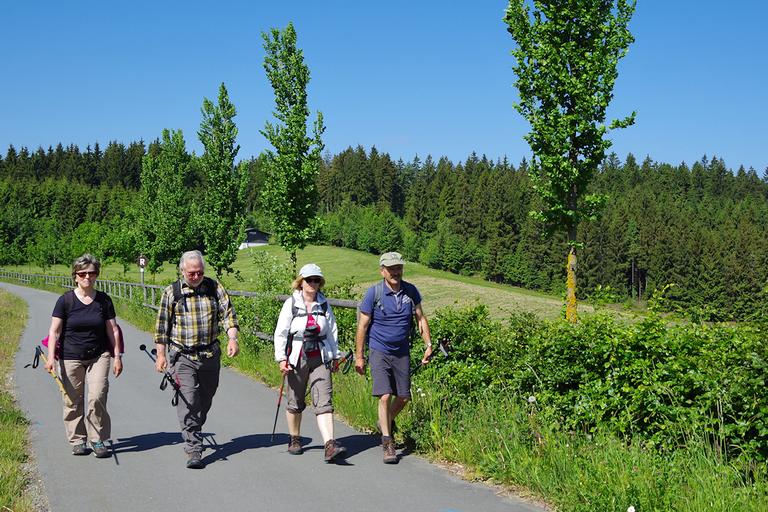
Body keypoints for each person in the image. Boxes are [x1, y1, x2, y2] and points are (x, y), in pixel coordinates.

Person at [153, 250, 240, 469]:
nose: (196, 276)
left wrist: (232, 339)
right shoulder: (171, 293)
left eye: (199, 272)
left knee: (205, 398)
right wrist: (161, 354)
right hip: (183, 356)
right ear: (183, 271)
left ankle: (193, 427)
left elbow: (228, 315)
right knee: (189, 400)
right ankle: (194, 448)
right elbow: (162, 327)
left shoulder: (214, 287)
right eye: (191, 273)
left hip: (210, 354)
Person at [355, 251, 433, 464]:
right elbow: (362, 326)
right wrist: (359, 356)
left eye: (398, 268)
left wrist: (428, 344)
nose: (396, 272)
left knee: (404, 397)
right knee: (385, 395)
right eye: (391, 269)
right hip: (379, 350)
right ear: (382, 271)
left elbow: (420, 317)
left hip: (401, 351)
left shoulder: (410, 291)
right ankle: (388, 442)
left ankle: (385, 421)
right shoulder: (374, 293)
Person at [45, 254, 123, 458]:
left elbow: (113, 330)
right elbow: (54, 331)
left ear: (96, 275)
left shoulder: (104, 300)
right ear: (75, 276)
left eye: (92, 273)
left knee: (97, 396)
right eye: (83, 273)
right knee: (72, 400)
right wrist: (51, 357)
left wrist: (117, 356)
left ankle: (98, 440)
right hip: (70, 356)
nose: (87, 277)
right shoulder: (65, 300)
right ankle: (78, 440)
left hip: (99, 355)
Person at [273, 263, 347, 463]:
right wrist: (281, 359)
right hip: (296, 356)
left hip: (320, 356)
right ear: (301, 282)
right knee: (295, 400)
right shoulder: (291, 304)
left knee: (324, 400)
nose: (313, 283)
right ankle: (295, 438)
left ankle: (329, 445)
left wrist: (335, 356)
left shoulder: (323, 305)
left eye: (316, 280)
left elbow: (332, 332)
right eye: (309, 280)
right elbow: (280, 333)